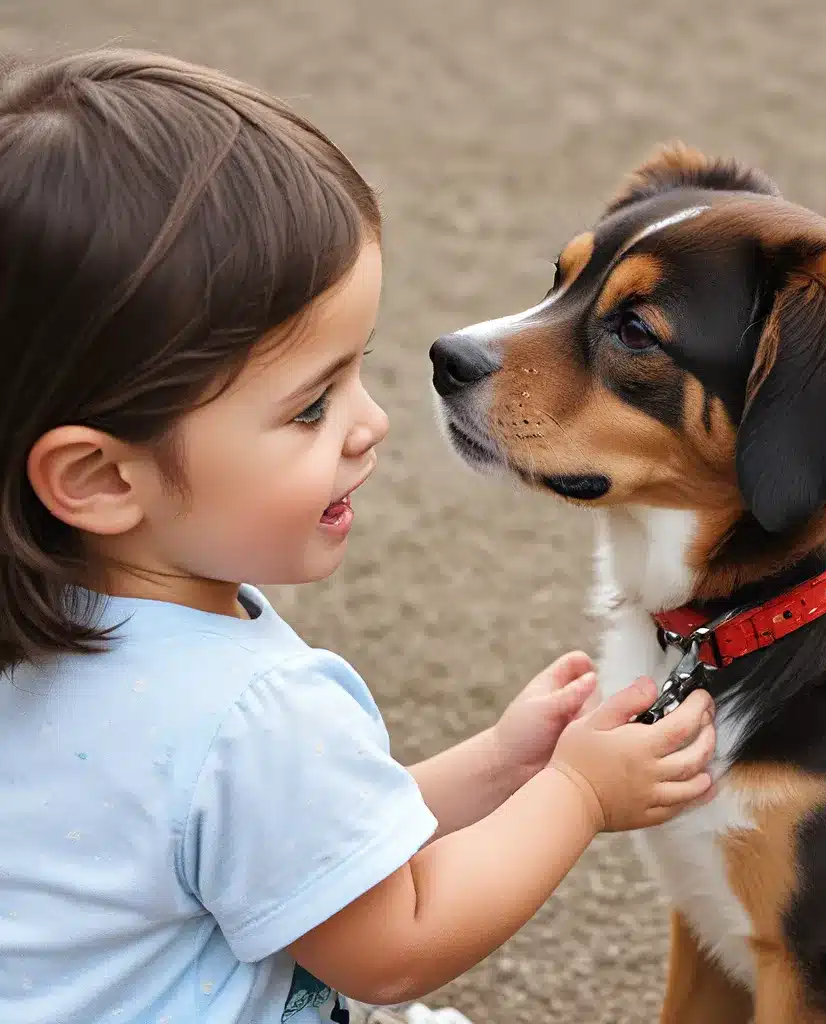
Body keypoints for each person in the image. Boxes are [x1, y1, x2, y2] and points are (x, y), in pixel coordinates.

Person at [0, 49, 717, 1024]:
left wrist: (502, 767)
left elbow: (290, 845)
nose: (370, 422)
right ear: (99, 478)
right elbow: (395, 938)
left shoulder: (57, 632)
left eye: (357, 372)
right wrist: (577, 796)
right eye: (308, 408)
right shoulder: (254, 711)